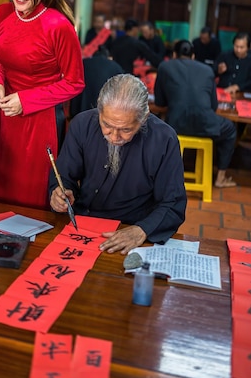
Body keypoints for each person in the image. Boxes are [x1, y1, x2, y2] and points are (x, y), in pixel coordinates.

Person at [0, 0, 84, 210]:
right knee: (4, 194)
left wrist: (26, 101)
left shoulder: (59, 26)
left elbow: (75, 82)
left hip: (41, 121)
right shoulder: (2, 14)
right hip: (10, 118)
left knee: (33, 199)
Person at [49, 74, 187, 255]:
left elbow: (173, 202)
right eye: (106, 125)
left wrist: (142, 230)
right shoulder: (82, 125)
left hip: (129, 228)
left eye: (126, 129)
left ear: (144, 117)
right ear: (99, 109)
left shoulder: (164, 139)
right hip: (83, 223)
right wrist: (59, 193)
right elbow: (64, 176)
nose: (114, 137)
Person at [154, 39, 237, 188]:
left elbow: (160, 103)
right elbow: (213, 106)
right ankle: (221, 178)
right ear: (193, 56)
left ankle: (157, 175)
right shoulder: (207, 70)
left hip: (175, 125)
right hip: (206, 124)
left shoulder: (164, 66)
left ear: (174, 54)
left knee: (157, 124)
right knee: (230, 129)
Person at [69, 45, 123, 117]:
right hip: (106, 110)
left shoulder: (83, 63)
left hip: (81, 108)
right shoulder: (115, 66)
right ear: (109, 57)